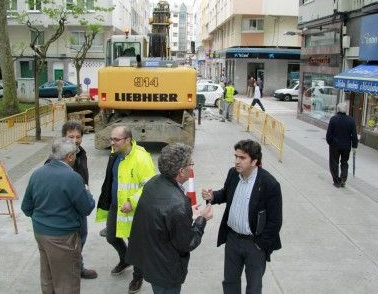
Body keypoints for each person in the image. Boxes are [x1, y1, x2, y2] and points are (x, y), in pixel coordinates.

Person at [126, 143, 213, 294]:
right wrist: (202, 220)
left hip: (150, 261)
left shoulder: (153, 183)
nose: (192, 168)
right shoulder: (178, 204)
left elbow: (160, 218)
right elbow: (187, 243)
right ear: (181, 171)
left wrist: (186, 215)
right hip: (166, 271)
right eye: (190, 164)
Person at [201, 139, 282, 294]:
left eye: (242, 158)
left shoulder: (269, 184)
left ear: (255, 161)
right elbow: (226, 193)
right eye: (236, 156)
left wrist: (260, 245)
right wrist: (212, 196)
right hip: (232, 239)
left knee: (254, 286)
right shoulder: (233, 174)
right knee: (230, 282)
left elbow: (275, 221)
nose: (237, 161)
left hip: (255, 245)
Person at [21, 138, 95, 294]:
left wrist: (43, 219)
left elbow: (26, 208)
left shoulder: (37, 173)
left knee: (48, 276)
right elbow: (87, 208)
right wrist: (87, 191)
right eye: (75, 154)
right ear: (69, 157)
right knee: (67, 281)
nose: (75, 157)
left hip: (40, 234)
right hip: (63, 238)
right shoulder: (73, 177)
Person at [96, 125, 156, 294]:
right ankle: (125, 259)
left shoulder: (141, 158)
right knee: (111, 237)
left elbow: (150, 185)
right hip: (117, 206)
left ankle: (138, 276)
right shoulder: (116, 154)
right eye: (111, 139)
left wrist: (132, 201)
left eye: (116, 139)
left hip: (134, 209)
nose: (112, 143)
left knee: (136, 244)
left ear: (128, 140)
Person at [45, 121, 97, 279]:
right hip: (65, 208)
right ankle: (68, 270)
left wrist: (85, 189)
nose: (75, 140)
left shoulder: (81, 152)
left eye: (78, 136)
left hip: (79, 202)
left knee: (82, 236)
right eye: (71, 136)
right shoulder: (53, 161)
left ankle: (77, 265)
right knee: (68, 241)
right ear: (64, 137)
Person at [326, 102, 358, 188]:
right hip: (346, 146)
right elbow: (354, 135)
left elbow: (329, 134)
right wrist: (354, 146)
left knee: (334, 163)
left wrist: (330, 142)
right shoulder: (351, 120)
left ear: (338, 109)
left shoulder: (333, 119)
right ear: (346, 110)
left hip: (335, 145)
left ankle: (336, 181)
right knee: (344, 162)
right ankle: (343, 179)